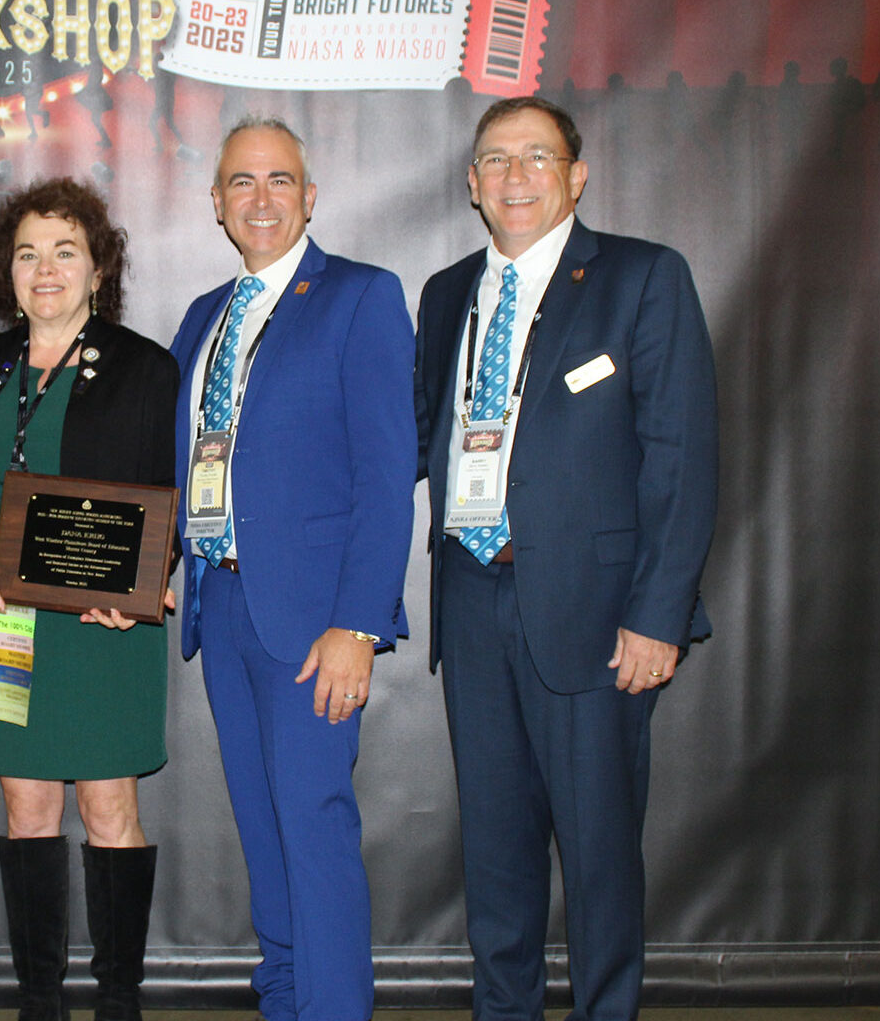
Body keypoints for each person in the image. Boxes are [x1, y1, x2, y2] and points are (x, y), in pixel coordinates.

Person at [413, 96, 718, 1021]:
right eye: (495, 160)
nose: (515, 176)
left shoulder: (641, 278)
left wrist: (659, 616)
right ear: (471, 184)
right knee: (495, 858)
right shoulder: (445, 295)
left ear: (575, 176)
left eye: (536, 157)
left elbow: (681, 459)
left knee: (598, 860)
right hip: (471, 602)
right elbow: (417, 439)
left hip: (596, 617)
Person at [167, 118, 414, 1021]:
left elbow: (387, 475)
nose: (261, 198)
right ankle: (286, 999)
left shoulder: (361, 295)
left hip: (314, 622)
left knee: (312, 829)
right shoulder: (204, 316)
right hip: (222, 605)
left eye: (280, 180)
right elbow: (179, 459)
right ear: (217, 203)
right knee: (265, 832)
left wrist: (358, 623)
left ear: (310, 198)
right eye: (242, 181)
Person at [0, 178, 179, 1021]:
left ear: (98, 268)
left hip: (107, 628)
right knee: (27, 806)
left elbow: (169, 499)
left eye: (66, 251)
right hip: (7, 620)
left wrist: (138, 586)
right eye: (28, 253)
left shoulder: (145, 367)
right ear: (7, 271)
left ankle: (118, 1000)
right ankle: (40, 1000)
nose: (46, 268)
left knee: (110, 807)